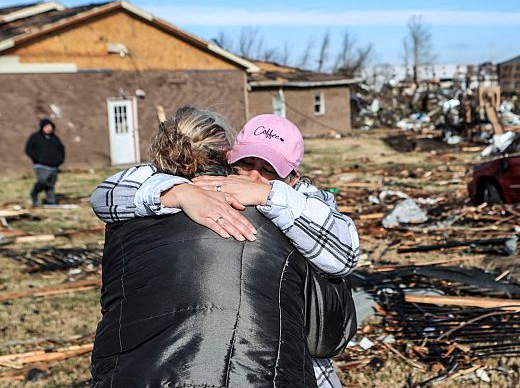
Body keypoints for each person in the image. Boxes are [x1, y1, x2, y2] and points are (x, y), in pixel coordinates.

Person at [91, 112, 359, 388]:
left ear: (293, 177)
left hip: (300, 358)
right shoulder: (201, 186)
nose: (254, 175)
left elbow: (346, 255)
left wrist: (268, 197)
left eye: (270, 170)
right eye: (246, 163)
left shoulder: (304, 201)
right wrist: (179, 193)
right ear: (229, 157)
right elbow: (104, 195)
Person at [25, 118, 65, 206]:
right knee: (42, 181)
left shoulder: (55, 138)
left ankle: (51, 201)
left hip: (54, 166)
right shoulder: (35, 137)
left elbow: (61, 149)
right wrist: (38, 159)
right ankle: (34, 193)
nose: (49, 128)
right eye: (47, 127)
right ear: (42, 127)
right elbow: (28, 149)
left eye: (50, 127)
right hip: (41, 165)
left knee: (51, 185)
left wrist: (60, 160)